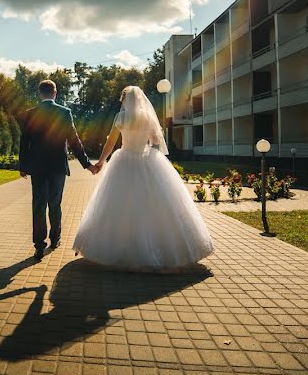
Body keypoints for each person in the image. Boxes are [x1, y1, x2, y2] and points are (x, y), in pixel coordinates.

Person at [73, 85, 214, 271]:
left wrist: (101, 161)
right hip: (144, 159)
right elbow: (156, 141)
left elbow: (111, 141)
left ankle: (118, 248)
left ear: (125, 100)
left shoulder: (121, 117)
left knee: (118, 203)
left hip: (123, 160)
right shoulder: (147, 117)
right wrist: (147, 153)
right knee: (153, 203)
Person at [19, 80, 98, 260]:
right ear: (55, 93)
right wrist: (87, 165)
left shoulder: (30, 114)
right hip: (57, 167)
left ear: (40, 94)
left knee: (38, 205)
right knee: (55, 204)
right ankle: (55, 240)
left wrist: (23, 166)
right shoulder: (64, 112)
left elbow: (24, 142)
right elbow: (74, 141)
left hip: (38, 168)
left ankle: (39, 245)